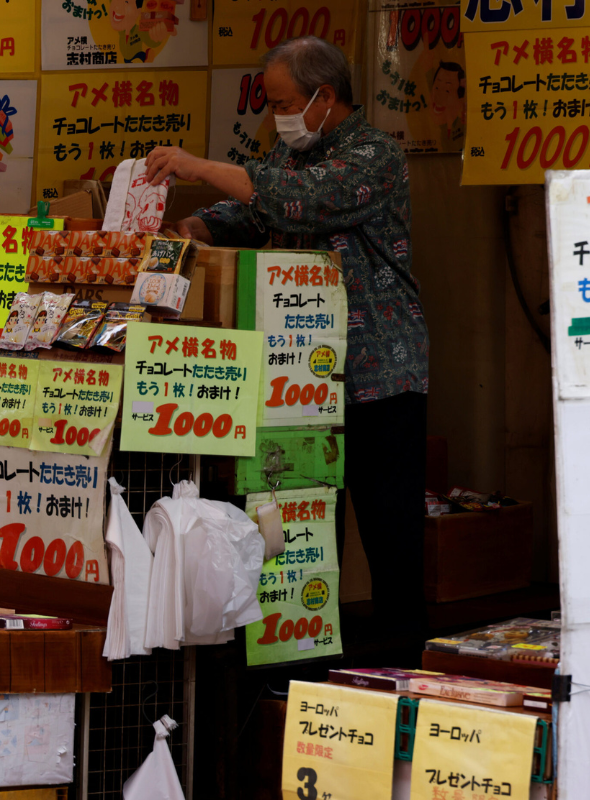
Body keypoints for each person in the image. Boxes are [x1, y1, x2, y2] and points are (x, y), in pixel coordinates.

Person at [144, 36, 429, 629]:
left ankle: (402, 671)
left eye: (282, 102)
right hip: (297, 376)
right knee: (300, 526)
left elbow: (299, 201)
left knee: (389, 529)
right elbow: (252, 209)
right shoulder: (288, 153)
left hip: (377, 372)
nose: (276, 116)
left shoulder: (375, 154)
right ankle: (302, 674)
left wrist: (200, 167)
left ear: (325, 97)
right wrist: (196, 223)